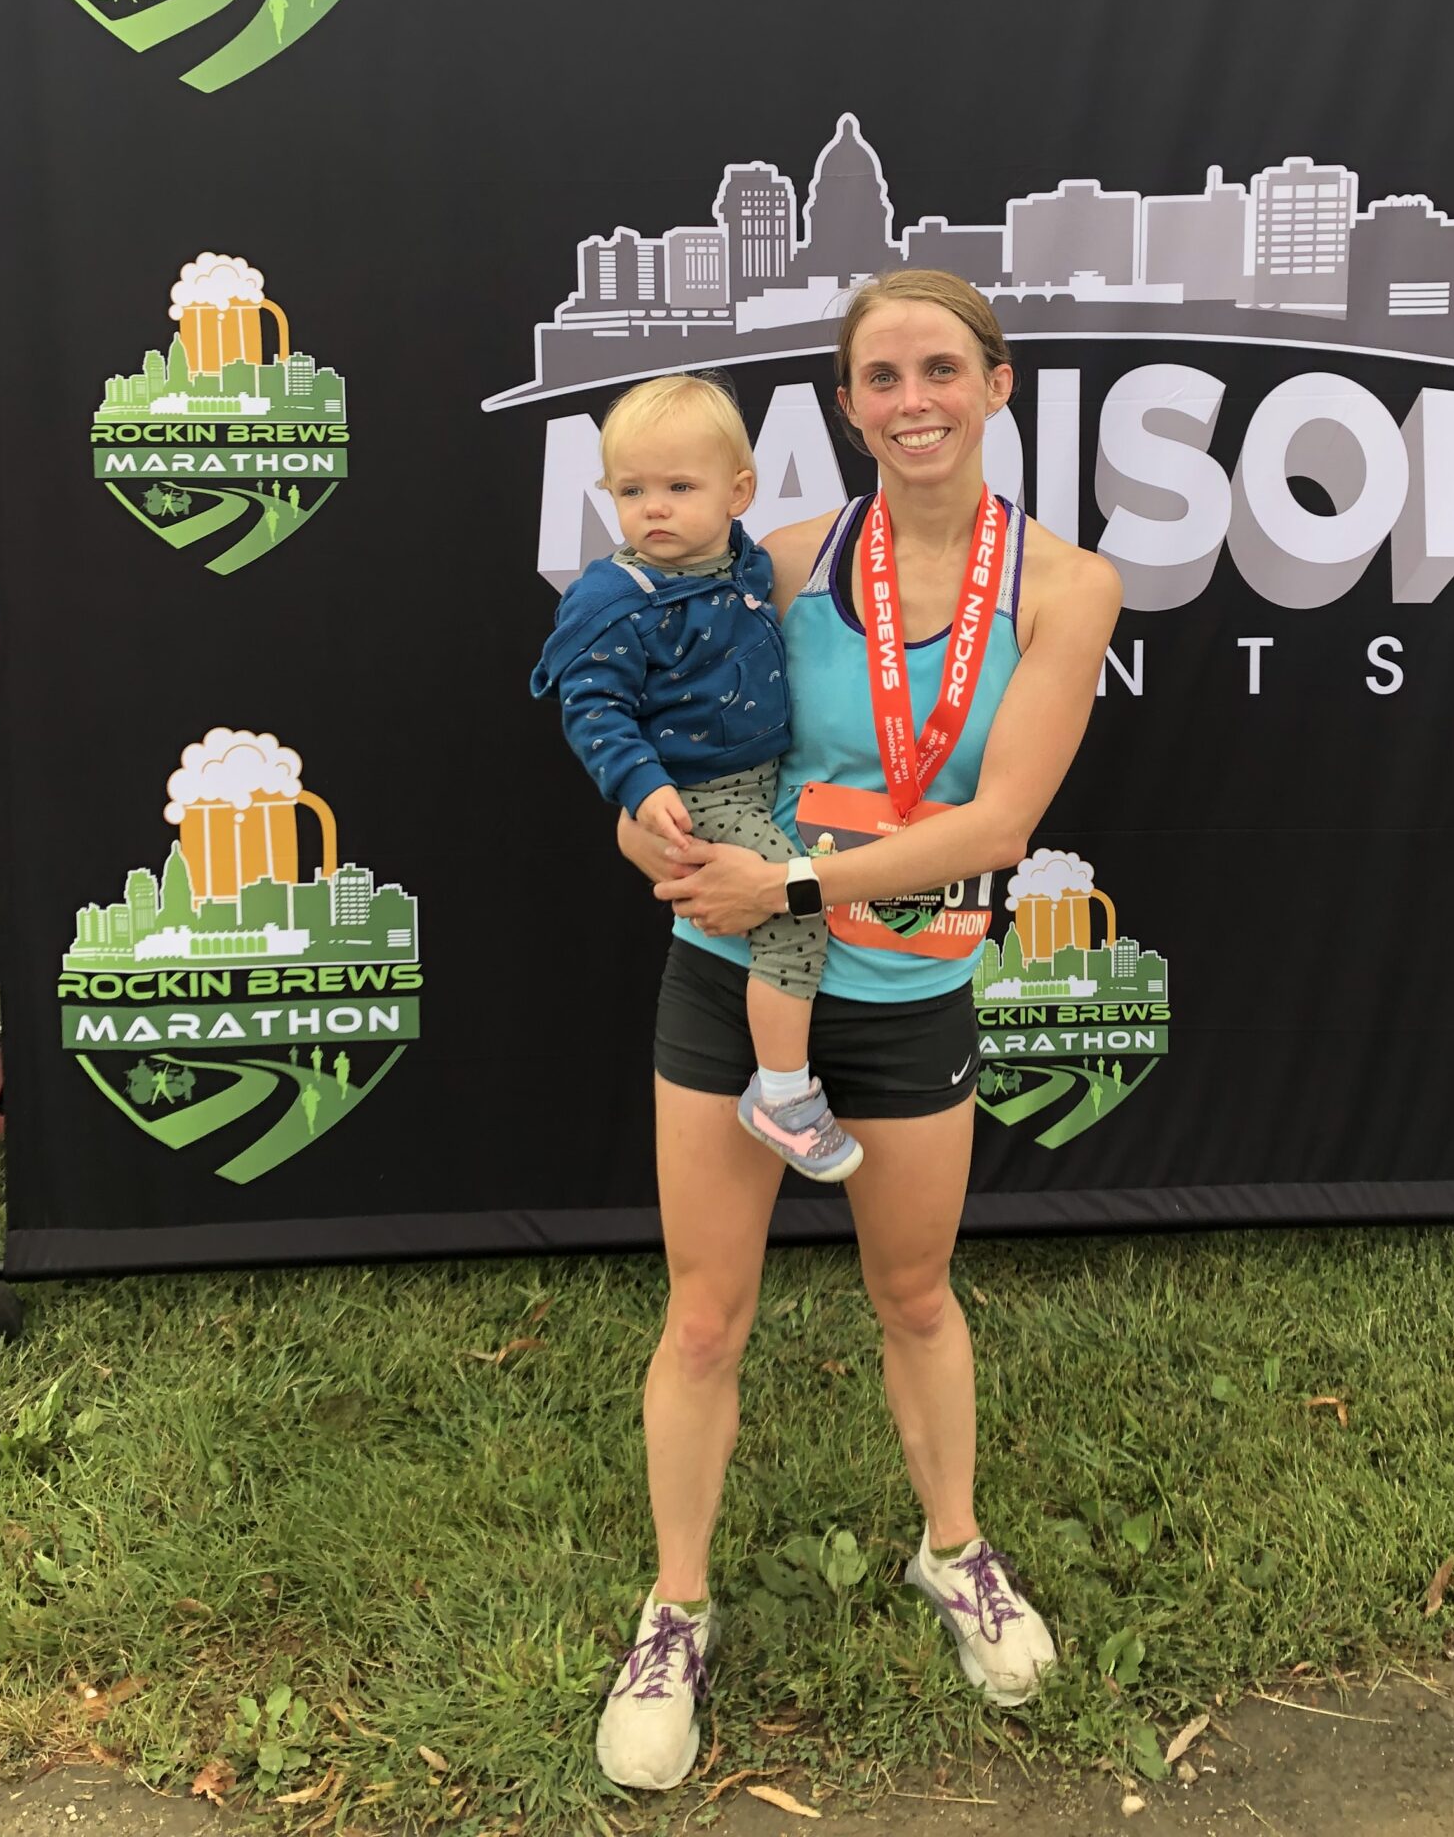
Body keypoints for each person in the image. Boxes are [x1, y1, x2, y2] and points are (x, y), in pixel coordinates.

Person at [593, 269, 1121, 1791]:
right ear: (845, 405)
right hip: (730, 968)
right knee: (704, 1316)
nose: (913, 401)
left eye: (941, 369)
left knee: (915, 1295)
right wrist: (656, 836)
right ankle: (675, 1610)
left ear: (998, 384)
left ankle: (951, 1552)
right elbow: (664, 729)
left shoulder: (1070, 589)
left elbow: (1002, 817)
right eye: (879, 376)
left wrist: (797, 877)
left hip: (907, 992)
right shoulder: (774, 560)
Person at [534, 374, 860, 1182]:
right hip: (699, 795)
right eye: (632, 489)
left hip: (765, 777)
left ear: (738, 491)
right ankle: (782, 1096)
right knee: (793, 914)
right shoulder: (614, 597)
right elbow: (593, 708)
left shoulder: (747, 566)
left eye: (680, 487)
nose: (654, 509)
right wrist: (642, 787)